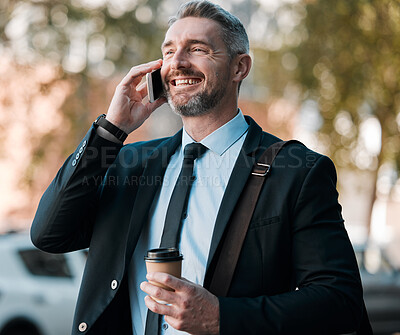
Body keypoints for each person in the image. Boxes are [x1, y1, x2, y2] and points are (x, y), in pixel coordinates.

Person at [31, 1, 365, 334]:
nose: (177, 62)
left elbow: (339, 301)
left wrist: (222, 317)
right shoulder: (128, 163)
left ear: (239, 68)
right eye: (170, 50)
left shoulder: (298, 171)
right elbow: (49, 234)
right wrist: (110, 130)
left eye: (198, 49)